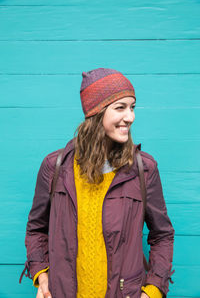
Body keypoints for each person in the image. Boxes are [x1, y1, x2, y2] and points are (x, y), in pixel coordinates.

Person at [19, 68, 175, 298]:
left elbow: (163, 236)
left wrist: (152, 291)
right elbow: (36, 229)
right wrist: (42, 275)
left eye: (132, 107)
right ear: (95, 112)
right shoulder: (55, 167)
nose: (130, 117)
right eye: (120, 108)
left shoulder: (144, 169)